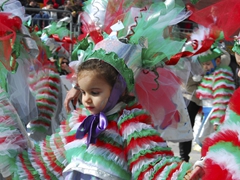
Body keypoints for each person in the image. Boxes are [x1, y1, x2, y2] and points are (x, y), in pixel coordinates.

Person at [194, 43, 235, 146]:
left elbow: (221, 100)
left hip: (214, 114)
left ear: (217, 61)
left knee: (209, 139)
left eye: (208, 64)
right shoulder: (210, 75)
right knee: (202, 138)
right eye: (203, 64)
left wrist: (217, 120)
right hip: (206, 113)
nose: (205, 67)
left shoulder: (220, 77)